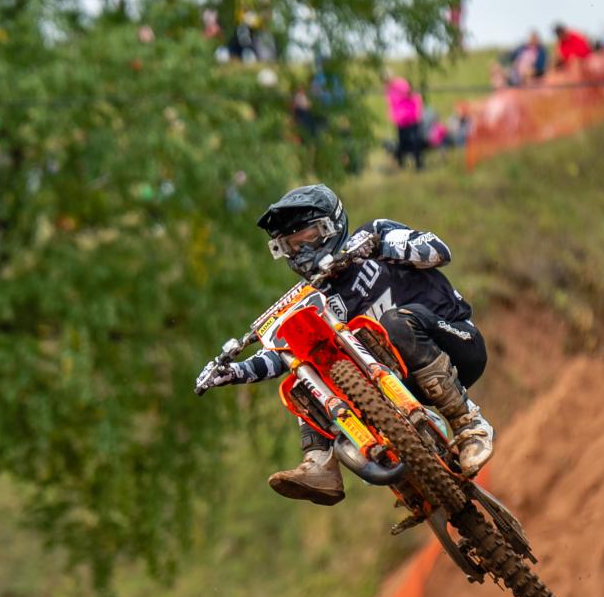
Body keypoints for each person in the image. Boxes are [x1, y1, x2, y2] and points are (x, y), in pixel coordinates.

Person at [196, 184, 494, 505]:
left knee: (394, 322)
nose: (301, 252)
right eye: (291, 245)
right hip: (400, 386)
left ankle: (469, 424)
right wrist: (235, 371)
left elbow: (438, 251)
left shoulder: (373, 234)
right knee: (308, 366)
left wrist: (379, 246)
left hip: (455, 343)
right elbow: (281, 354)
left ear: (330, 226)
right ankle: (320, 463)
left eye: (307, 238)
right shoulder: (313, 297)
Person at [385, 77, 425, 171]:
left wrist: (417, 115)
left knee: (415, 141)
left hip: (412, 120)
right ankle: (401, 162)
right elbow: (392, 105)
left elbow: (417, 104)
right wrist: (393, 116)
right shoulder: (392, 92)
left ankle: (418, 164)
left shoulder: (410, 93)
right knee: (403, 142)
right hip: (402, 122)